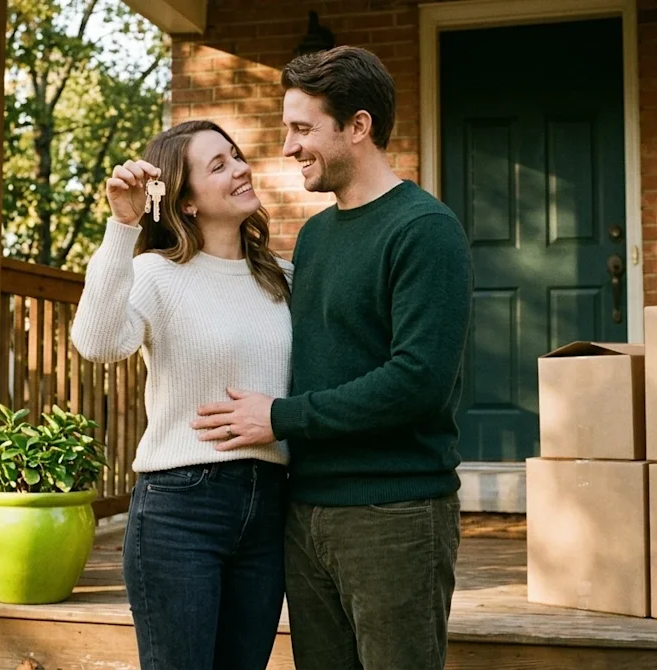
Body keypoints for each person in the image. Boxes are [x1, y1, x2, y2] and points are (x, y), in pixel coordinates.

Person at [190, 46, 474, 670]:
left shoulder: (424, 229)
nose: (287, 147)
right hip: (305, 512)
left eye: (302, 128)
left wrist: (283, 418)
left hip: (395, 515)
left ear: (359, 126)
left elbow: (418, 381)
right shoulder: (316, 236)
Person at [70, 120, 292, 670]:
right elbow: (96, 344)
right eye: (218, 165)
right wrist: (122, 226)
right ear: (186, 202)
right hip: (182, 510)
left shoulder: (283, 278)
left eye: (236, 156)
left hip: (270, 507)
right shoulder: (155, 274)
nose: (240, 168)